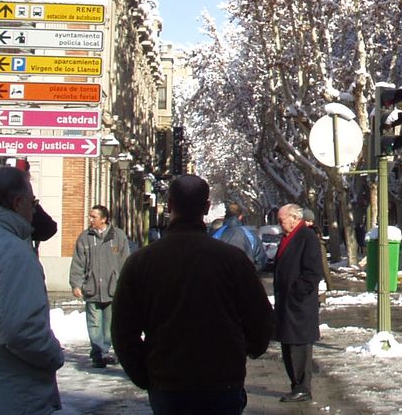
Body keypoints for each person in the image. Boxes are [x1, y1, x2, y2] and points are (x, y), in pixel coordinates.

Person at [111, 175, 273, 414]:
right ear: (206, 207)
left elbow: (123, 331)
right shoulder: (231, 260)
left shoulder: (141, 262)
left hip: (168, 383)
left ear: (170, 206)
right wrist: (245, 350)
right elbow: (260, 318)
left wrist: (146, 375)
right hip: (221, 382)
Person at [0, 167, 64, 414]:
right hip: (9, 394)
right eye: (33, 201)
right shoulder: (12, 252)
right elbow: (19, 330)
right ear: (18, 202)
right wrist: (54, 355)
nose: (34, 209)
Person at [274, 203, 326, 403]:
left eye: (281, 220)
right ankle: (296, 385)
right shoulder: (288, 237)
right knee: (288, 345)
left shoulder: (307, 237)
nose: (280, 224)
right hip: (287, 303)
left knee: (299, 346)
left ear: (295, 218)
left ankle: (302, 387)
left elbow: (313, 272)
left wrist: (296, 292)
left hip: (299, 304)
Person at [68, 203, 130, 368]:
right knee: (94, 323)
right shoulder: (85, 238)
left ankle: (106, 351)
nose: (90, 219)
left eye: (93, 217)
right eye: (90, 216)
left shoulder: (118, 236)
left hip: (112, 289)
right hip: (92, 287)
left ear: (104, 219)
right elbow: (78, 263)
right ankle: (98, 354)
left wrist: (126, 285)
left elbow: (125, 262)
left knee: (110, 324)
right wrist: (76, 283)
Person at [214, 201, 268, 271]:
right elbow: (260, 261)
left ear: (225, 216)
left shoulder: (215, 234)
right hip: (245, 278)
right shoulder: (251, 236)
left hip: (219, 279)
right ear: (240, 217)